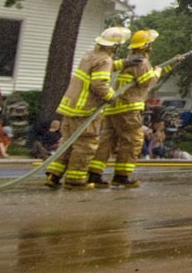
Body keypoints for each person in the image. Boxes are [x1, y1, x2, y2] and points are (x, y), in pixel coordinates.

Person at [88, 29, 181, 188]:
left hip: (113, 109)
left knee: (107, 142)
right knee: (132, 141)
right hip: (128, 109)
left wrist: (170, 65)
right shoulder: (142, 62)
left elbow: (146, 76)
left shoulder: (131, 60)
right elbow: (148, 81)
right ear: (146, 46)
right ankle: (121, 176)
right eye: (150, 44)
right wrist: (159, 70)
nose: (151, 48)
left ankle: (94, 175)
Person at [45, 26, 130, 190]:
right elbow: (99, 85)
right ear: (115, 46)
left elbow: (101, 67)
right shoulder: (105, 60)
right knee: (85, 145)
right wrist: (112, 96)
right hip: (85, 109)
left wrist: (125, 63)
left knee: (67, 143)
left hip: (70, 106)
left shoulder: (90, 56)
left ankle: (53, 175)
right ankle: (75, 181)